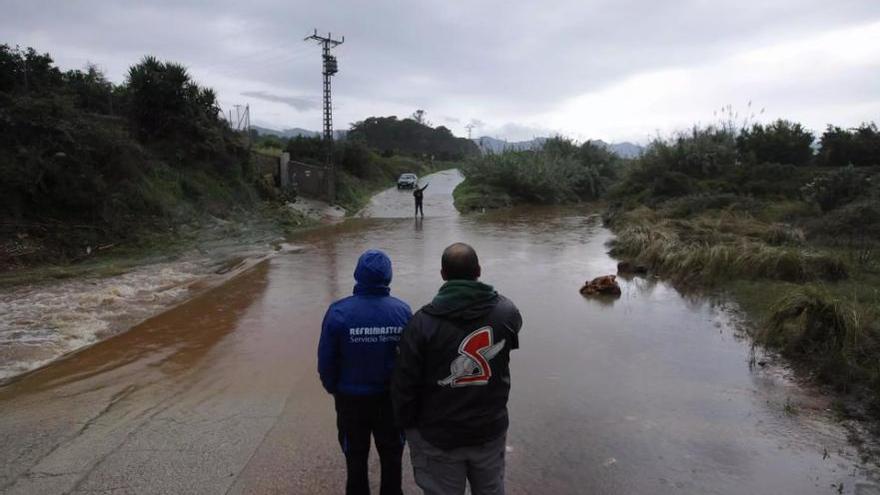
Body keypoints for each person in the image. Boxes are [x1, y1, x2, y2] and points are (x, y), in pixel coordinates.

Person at [392, 243, 523, 495]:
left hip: (438, 436)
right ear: (479, 271)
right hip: (489, 430)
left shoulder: (421, 324)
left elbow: (405, 385)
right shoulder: (507, 314)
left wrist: (408, 427)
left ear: (442, 274)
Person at [318, 249, 413, 495]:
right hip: (390, 400)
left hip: (351, 400)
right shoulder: (402, 311)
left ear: (357, 274)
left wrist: (334, 388)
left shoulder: (339, 311)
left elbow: (326, 360)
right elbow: (411, 361)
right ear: (388, 276)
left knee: (355, 458)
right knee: (392, 457)